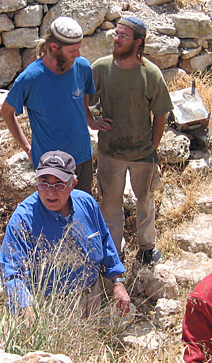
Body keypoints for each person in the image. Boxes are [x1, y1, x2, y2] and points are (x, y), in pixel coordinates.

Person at [0, 150, 130, 318]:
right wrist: (26, 309)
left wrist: (118, 281)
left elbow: (104, 241)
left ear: (72, 184)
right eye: (43, 183)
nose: (50, 192)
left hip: (91, 294)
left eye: (58, 184)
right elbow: (11, 271)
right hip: (50, 306)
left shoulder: (86, 203)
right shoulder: (23, 219)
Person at [90, 16, 173, 264]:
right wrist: (90, 121)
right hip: (110, 152)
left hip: (143, 154)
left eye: (123, 36)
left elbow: (161, 113)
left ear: (138, 42)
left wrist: (153, 147)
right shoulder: (101, 68)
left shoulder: (151, 74)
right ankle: (114, 254)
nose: (116, 39)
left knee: (145, 200)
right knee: (110, 205)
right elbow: (81, 97)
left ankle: (147, 249)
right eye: (116, 34)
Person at [1, 16, 109, 194]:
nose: (78, 55)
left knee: (81, 210)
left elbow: (82, 96)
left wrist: (90, 120)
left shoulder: (82, 67)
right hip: (51, 166)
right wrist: (27, 147)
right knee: (55, 216)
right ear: (54, 47)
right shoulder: (30, 78)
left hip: (82, 157)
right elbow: (6, 112)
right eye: (73, 50)